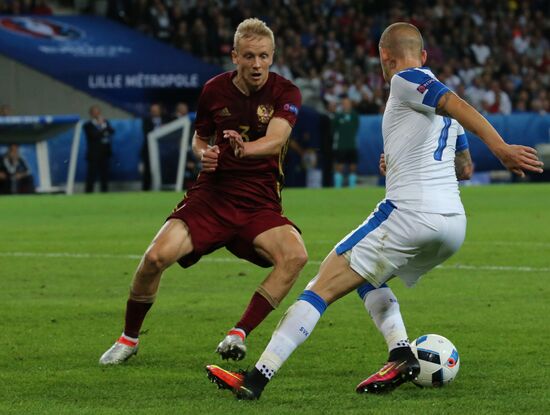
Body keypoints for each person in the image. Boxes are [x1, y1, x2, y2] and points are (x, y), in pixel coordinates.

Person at [205, 21, 543, 399]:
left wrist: (501, 148)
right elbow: (463, 167)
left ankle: (255, 379)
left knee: (320, 287)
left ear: (385, 58)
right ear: (427, 55)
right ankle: (400, 353)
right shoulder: (435, 97)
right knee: (367, 277)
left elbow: (455, 105)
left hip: (410, 215)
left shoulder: (404, 79)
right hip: (452, 226)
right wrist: (398, 158)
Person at [99, 18, 308, 365]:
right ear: (234, 56)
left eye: (264, 57)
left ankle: (238, 334)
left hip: (259, 202)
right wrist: (204, 153)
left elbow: (275, 141)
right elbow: (200, 138)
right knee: (154, 258)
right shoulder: (214, 90)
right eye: (250, 56)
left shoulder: (286, 92)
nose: (257, 65)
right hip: (212, 196)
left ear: (272, 57)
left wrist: (245, 149)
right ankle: (128, 339)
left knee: (296, 255)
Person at [83, 105, 115, 193]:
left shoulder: (105, 122)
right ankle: (88, 193)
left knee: (104, 175)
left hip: (104, 154)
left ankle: (104, 192)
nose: (97, 114)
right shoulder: (88, 125)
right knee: (91, 175)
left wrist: (103, 125)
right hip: (93, 155)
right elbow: (94, 136)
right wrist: (102, 127)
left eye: (98, 112)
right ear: (91, 114)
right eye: (95, 112)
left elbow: (112, 131)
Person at [141, 103, 170, 191]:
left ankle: (164, 188)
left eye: (156, 110)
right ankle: (146, 190)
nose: (154, 111)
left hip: (164, 150)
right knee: (148, 171)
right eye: (153, 110)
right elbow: (146, 133)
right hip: (149, 150)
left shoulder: (166, 120)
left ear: (160, 111)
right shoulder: (146, 121)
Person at [332, 97, 360, 188]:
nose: (346, 105)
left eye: (348, 103)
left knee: (353, 167)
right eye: (344, 103)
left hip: (352, 145)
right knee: (339, 167)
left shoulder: (355, 116)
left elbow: (356, 128)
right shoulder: (338, 116)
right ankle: (338, 188)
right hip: (341, 146)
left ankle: (352, 188)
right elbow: (333, 129)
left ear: (350, 105)